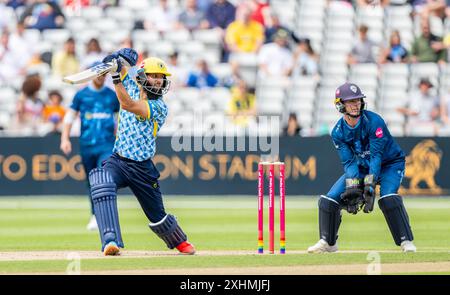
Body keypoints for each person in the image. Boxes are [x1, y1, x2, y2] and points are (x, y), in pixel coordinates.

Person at [89, 48, 195, 256]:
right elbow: (120, 67)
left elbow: (127, 104)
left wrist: (116, 76)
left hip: (142, 168)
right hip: (119, 161)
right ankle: (110, 242)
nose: (157, 81)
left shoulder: (159, 107)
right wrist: (117, 59)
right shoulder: (131, 82)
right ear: (144, 77)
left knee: (158, 216)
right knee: (101, 182)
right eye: (154, 76)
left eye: (161, 78)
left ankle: (180, 241)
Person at [307, 82, 416, 253]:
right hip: (363, 166)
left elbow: (376, 156)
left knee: (388, 198)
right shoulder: (337, 132)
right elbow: (349, 163)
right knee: (328, 201)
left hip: (390, 164)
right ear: (340, 104)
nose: (356, 104)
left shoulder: (374, 121)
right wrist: (354, 185)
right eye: (351, 101)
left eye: (357, 100)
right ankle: (328, 243)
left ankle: (406, 242)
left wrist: (369, 184)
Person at [60, 62, 120, 231]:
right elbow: (69, 118)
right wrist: (65, 139)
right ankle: (95, 214)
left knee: (105, 177)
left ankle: (105, 215)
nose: (101, 77)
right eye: (98, 74)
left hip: (106, 145)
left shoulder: (112, 96)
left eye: (103, 74)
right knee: (91, 182)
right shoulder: (81, 96)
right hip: (87, 145)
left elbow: (119, 119)